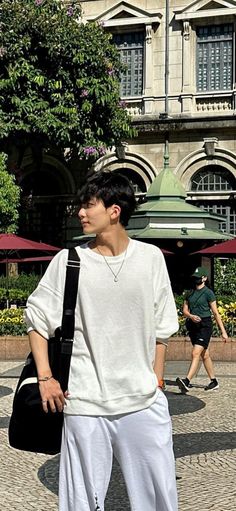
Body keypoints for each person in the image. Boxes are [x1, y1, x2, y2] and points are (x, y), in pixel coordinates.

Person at [24, 170, 179, 511]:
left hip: (142, 402)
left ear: (114, 210)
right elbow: (36, 319)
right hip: (84, 404)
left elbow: (162, 327)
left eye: (88, 205)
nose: (80, 213)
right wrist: (46, 378)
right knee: (80, 503)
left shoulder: (150, 258)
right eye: (80, 205)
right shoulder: (69, 261)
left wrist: (156, 379)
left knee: (158, 499)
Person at [176, 266, 228, 393]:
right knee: (205, 354)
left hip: (205, 325)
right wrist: (191, 316)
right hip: (193, 325)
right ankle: (214, 381)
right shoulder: (189, 292)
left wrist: (223, 331)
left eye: (199, 277)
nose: (196, 279)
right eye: (195, 277)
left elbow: (215, 313)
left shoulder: (209, 293)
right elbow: (185, 311)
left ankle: (187, 381)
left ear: (204, 278)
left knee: (195, 353)